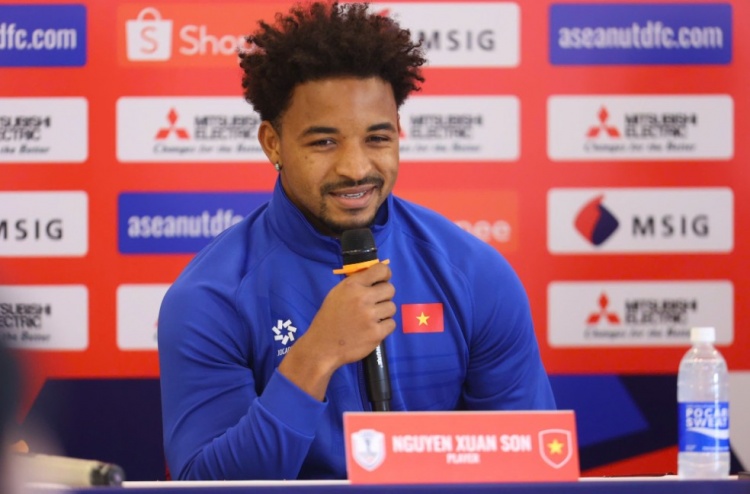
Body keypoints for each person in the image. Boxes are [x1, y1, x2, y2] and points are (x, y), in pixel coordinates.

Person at [158, 1, 556, 481]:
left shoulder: (474, 275)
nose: (355, 168)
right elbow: (204, 485)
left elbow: (530, 467)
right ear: (273, 143)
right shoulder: (209, 297)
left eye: (377, 138)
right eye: (324, 142)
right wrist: (316, 355)